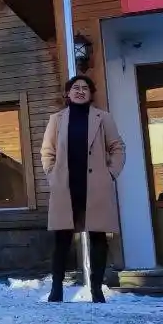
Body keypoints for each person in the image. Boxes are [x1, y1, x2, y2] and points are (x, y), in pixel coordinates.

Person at [39, 76, 126, 304]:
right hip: (66, 187)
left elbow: (117, 147)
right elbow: (47, 151)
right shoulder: (56, 119)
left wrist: (110, 174)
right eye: (75, 88)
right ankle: (56, 289)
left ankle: (97, 289)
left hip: (95, 186)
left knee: (98, 237)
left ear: (91, 93)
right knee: (62, 239)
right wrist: (53, 176)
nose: (80, 91)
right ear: (67, 93)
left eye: (85, 88)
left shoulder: (103, 118)